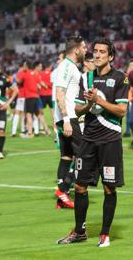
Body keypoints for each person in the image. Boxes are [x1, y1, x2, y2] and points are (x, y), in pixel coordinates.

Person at [57, 38, 129, 248]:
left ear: (111, 56)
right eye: (95, 51)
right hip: (88, 139)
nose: (97, 55)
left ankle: (105, 234)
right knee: (80, 186)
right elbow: (78, 109)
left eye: (102, 52)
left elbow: (122, 110)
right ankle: (79, 231)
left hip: (110, 140)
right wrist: (89, 102)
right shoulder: (86, 77)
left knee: (109, 188)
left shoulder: (120, 78)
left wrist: (99, 101)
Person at [53, 36, 87, 210]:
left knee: (67, 156)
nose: (86, 49)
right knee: (84, 155)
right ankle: (63, 190)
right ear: (76, 49)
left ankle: (61, 200)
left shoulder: (70, 66)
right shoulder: (66, 66)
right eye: (84, 47)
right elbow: (60, 93)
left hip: (66, 118)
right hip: (69, 118)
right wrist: (66, 119)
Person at [17, 61, 41, 138]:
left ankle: (30, 133)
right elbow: (39, 85)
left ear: (26, 66)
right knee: (37, 114)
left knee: (29, 115)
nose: (23, 67)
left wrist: (14, 78)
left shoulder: (25, 73)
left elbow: (19, 81)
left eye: (24, 65)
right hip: (36, 96)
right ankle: (45, 130)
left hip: (29, 97)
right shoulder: (35, 73)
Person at [11, 61, 28, 137]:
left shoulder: (18, 75)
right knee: (21, 113)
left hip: (21, 96)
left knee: (19, 113)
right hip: (23, 96)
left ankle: (16, 131)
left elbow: (14, 84)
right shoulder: (22, 74)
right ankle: (21, 130)